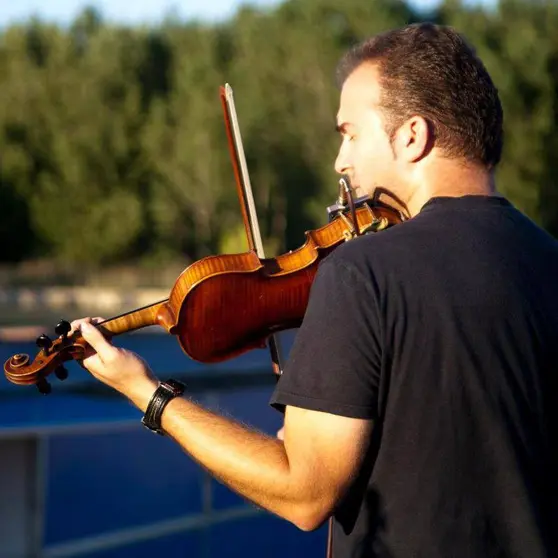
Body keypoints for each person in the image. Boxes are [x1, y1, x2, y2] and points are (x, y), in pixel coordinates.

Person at [71, 22, 558, 557]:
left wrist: (149, 394)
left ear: (412, 135)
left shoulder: (363, 271)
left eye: (350, 132)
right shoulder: (546, 258)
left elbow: (304, 496)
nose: (340, 161)